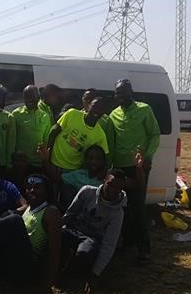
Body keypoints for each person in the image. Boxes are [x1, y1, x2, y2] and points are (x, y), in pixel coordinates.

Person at [109, 79, 160, 262]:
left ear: (131, 91)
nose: (119, 96)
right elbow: (112, 141)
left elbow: (155, 134)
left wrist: (147, 158)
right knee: (122, 208)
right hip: (119, 167)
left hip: (138, 167)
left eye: (122, 92)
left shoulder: (144, 109)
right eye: (117, 92)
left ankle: (144, 249)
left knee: (138, 208)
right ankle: (127, 243)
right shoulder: (113, 114)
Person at [61, 169, 127, 283]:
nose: (113, 190)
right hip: (74, 230)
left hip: (92, 238)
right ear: (104, 181)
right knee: (57, 238)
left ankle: (75, 276)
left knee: (84, 254)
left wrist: (96, 273)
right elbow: (69, 214)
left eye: (118, 187)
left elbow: (109, 244)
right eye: (110, 185)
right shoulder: (87, 191)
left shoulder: (118, 213)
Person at [47, 98, 109, 172]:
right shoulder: (72, 114)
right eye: (94, 106)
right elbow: (53, 132)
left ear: (103, 113)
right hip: (53, 162)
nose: (97, 110)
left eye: (101, 109)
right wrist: (47, 156)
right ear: (89, 106)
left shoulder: (100, 135)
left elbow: (104, 157)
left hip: (73, 171)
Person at [38, 144, 107, 210]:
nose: (94, 162)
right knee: (68, 190)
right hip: (77, 210)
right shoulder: (80, 174)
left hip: (96, 211)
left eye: (98, 159)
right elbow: (57, 177)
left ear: (103, 161)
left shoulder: (106, 178)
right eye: (90, 158)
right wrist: (45, 160)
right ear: (85, 160)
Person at [11, 85, 52, 171]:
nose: (29, 99)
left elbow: (46, 141)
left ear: (38, 97)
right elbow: (11, 138)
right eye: (26, 97)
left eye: (32, 96)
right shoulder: (16, 114)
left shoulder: (45, 116)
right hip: (20, 164)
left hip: (38, 164)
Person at [81, 89, 116, 166]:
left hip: (95, 165)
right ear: (82, 99)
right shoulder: (76, 115)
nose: (88, 101)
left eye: (91, 99)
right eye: (86, 98)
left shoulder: (106, 120)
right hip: (75, 162)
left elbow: (110, 145)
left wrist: (107, 165)